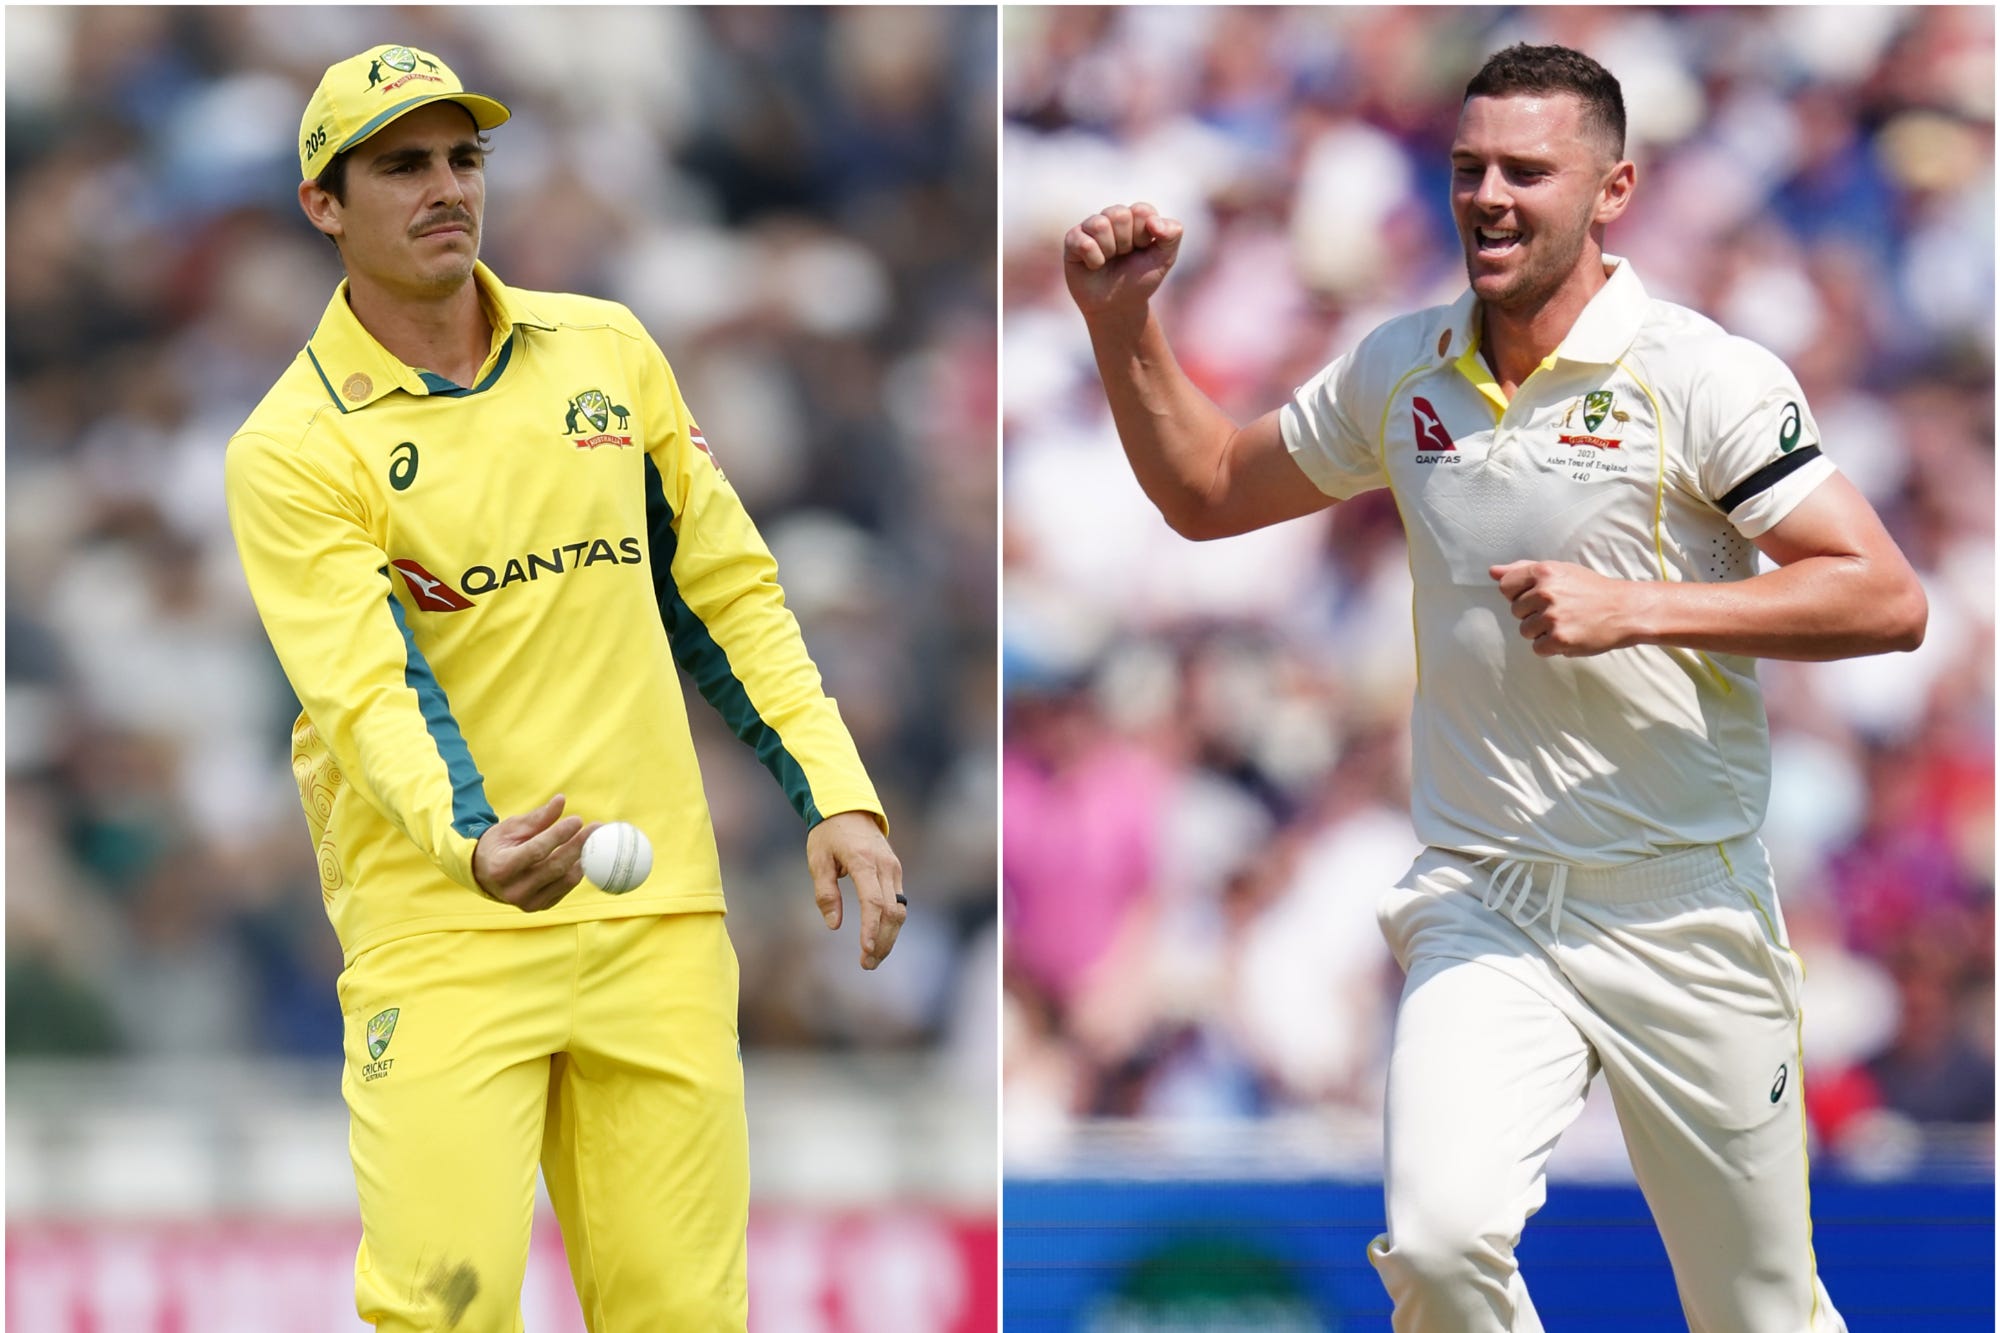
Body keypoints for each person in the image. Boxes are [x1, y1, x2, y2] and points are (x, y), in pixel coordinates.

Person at [1062, 42, 1924, 1333]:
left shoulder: (1700, 373)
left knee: (1759, 1313)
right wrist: (1122, 322)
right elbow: (1205, 492)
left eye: (1529, 169)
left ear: (1615, 188)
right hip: (1487, 896)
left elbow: (1883, 594)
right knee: (1440, 1245)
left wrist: (1637, 607)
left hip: (1683, 900)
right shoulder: (1403, 364)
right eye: (1469, 169)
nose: (1491, 197)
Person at [225, 44, 906, 1333]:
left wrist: (837, 793)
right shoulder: (292, 447)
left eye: (464, 158)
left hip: (656, 927)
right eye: (402, 165)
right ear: (324, 204)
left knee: (682, 1318)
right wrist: (474, 846)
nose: (446, 188)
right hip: (444, 927)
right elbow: (371, 692)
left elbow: (724, 590)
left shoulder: (606, 350)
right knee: (444, 1313)